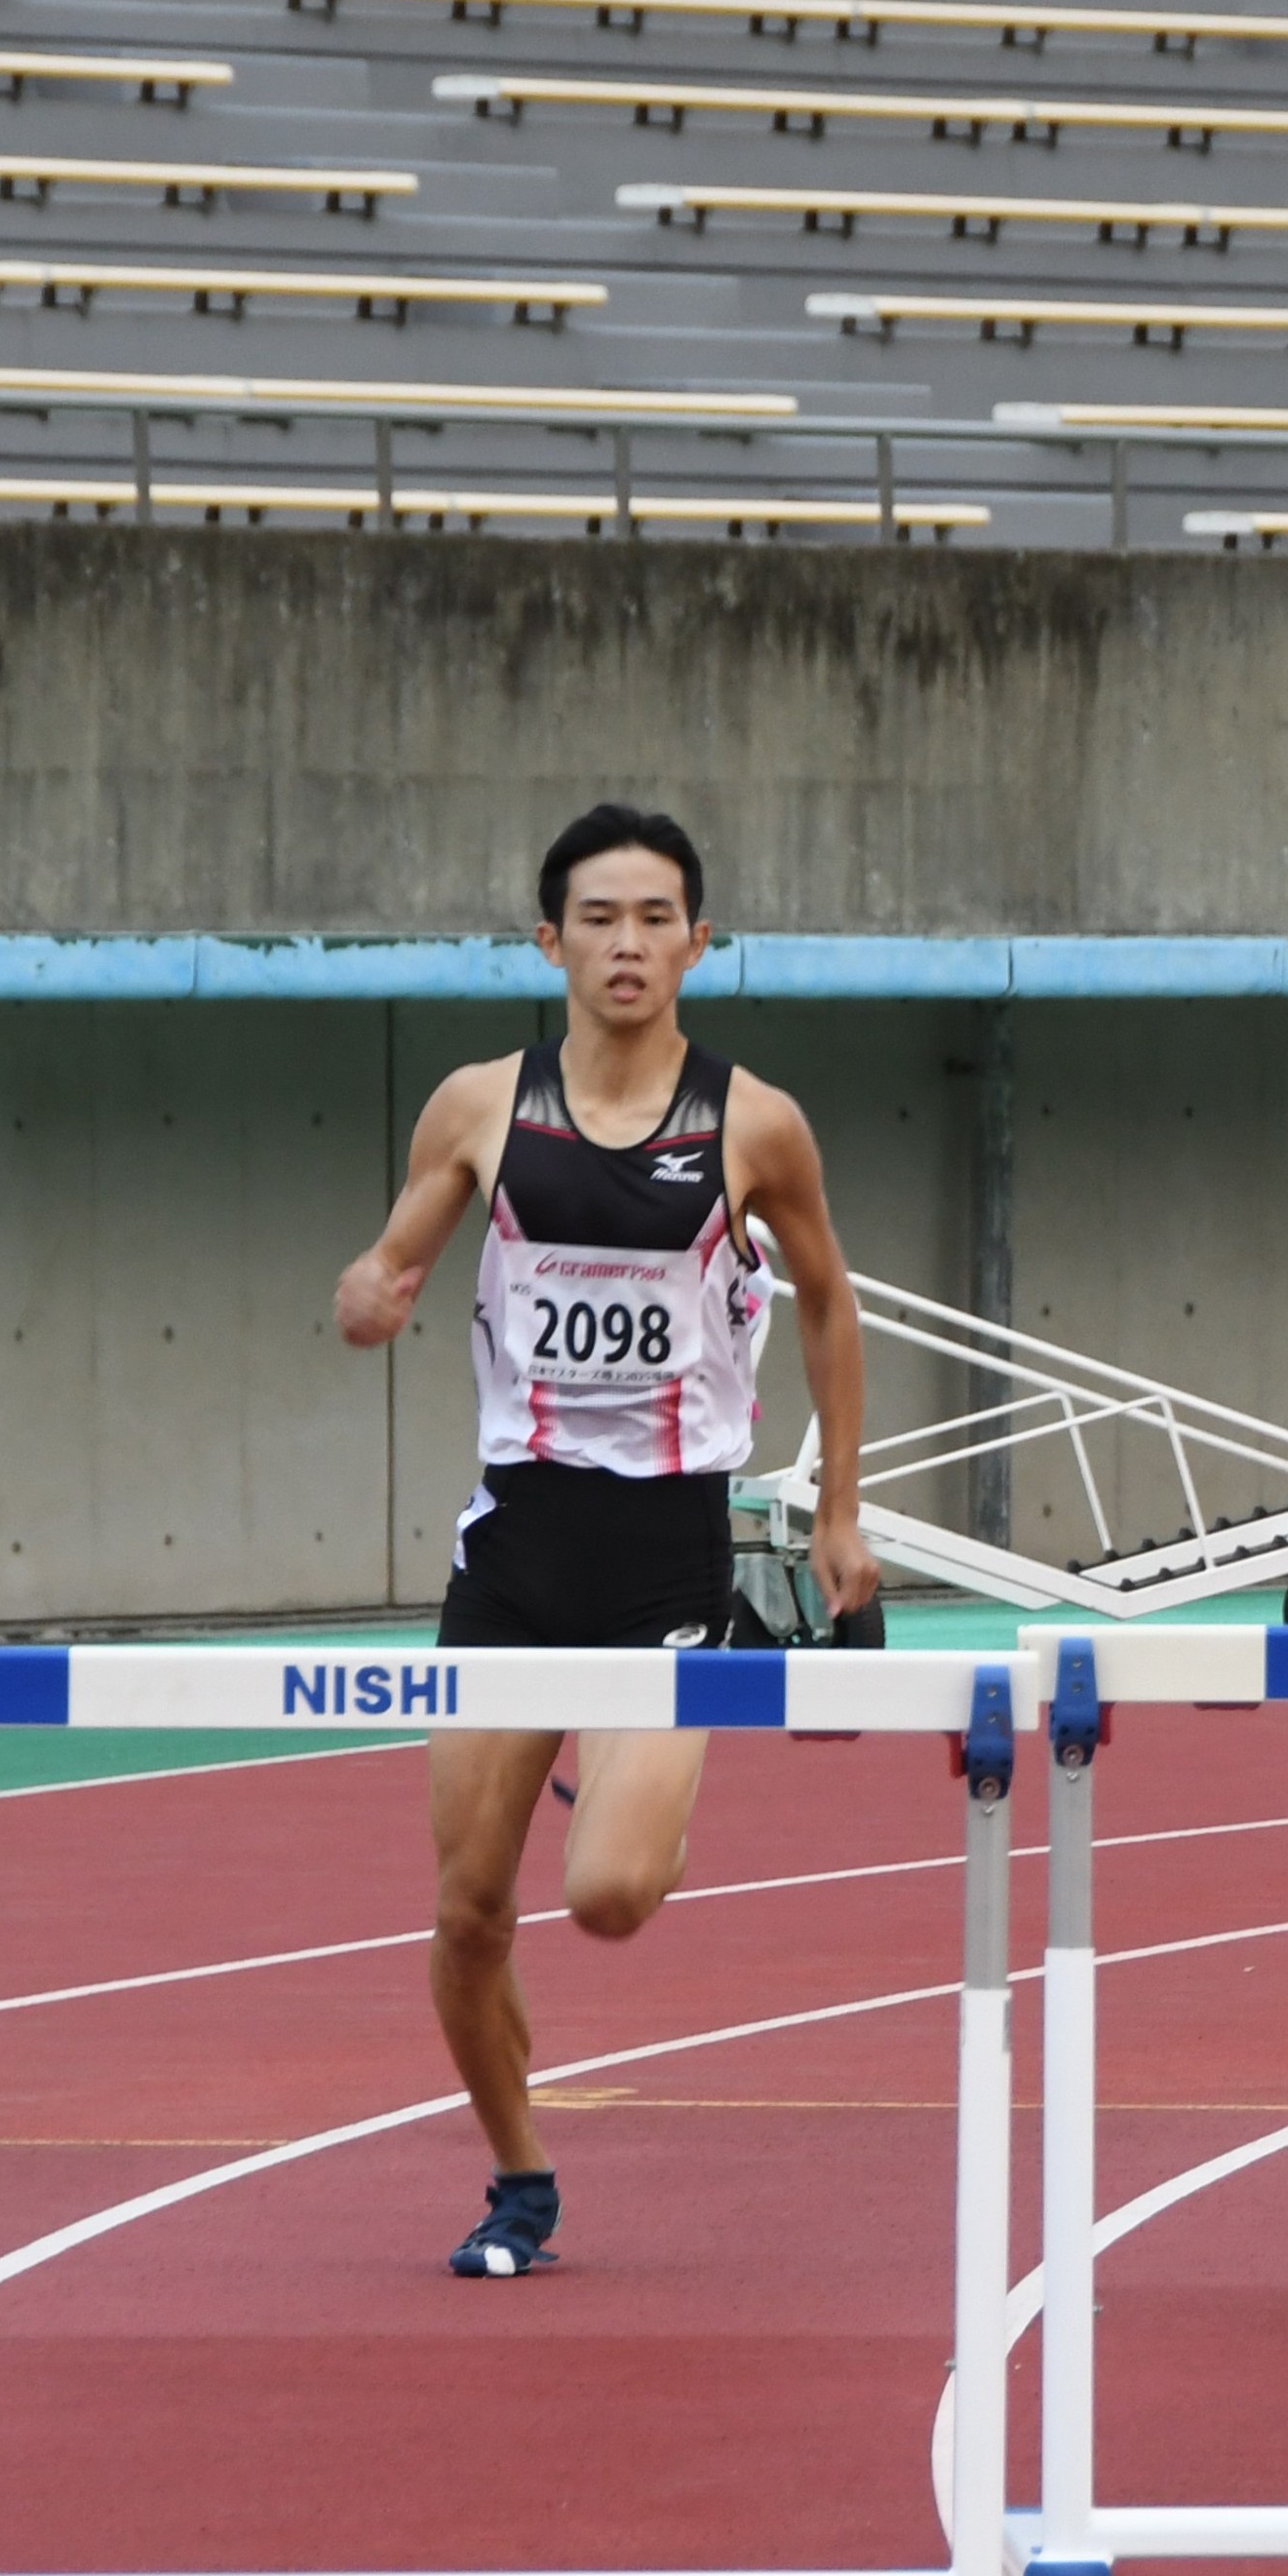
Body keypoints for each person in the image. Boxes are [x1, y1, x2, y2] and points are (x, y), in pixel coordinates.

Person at [331, 804, 879, 2278]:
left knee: (614, 1897)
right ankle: (520, 2177)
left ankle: (643, 1777)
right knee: (464, 1915)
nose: (625, 944)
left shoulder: (752, 1123)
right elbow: (392, 1260)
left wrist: (836, 1508)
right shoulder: (476, 1107)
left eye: (653, 918)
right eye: (596, 918)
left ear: (699, 941)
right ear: (548, 940)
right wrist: (369, 1295)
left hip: (664, 1561)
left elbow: (828, 1300)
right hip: (514, 1554)